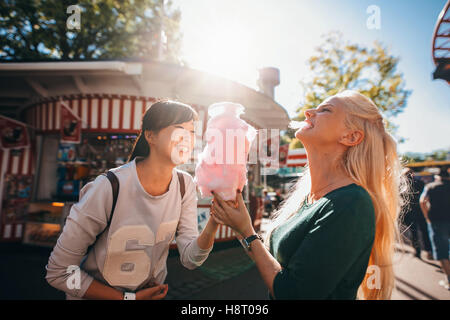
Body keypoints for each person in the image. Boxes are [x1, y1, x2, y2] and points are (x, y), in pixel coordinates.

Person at [210, 90, 409, 300]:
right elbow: (278, 265)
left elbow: (293, 295)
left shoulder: (351, 203)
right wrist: (241, 229)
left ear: (351, 136)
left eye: (325, 110)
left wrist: (246, 231)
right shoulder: (310, 198)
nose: (308, 112)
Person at [46, 100, 220, 300]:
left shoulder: (185, 185)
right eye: (180, 129)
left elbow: (190, 259)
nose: (188, 139)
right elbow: (59, 272)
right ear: (150, 135)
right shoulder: (109, 187)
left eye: (192, 132)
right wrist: (128, 299)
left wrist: (214, 222)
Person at [420, 167, 450, 290]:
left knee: (441, 250)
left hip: (437, 221)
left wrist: (427, 217)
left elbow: (422, 201)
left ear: (437, 176)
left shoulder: (430, 186)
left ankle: (449, 279)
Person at [402, 168, 433, 259]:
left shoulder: (401, 185)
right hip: (419, 210)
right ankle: (428, 250)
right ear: (413, 174)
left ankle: (417, 250)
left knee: (413, 231)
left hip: (408, 210)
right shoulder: (420, 183)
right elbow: (425, 198)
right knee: (424, 230)